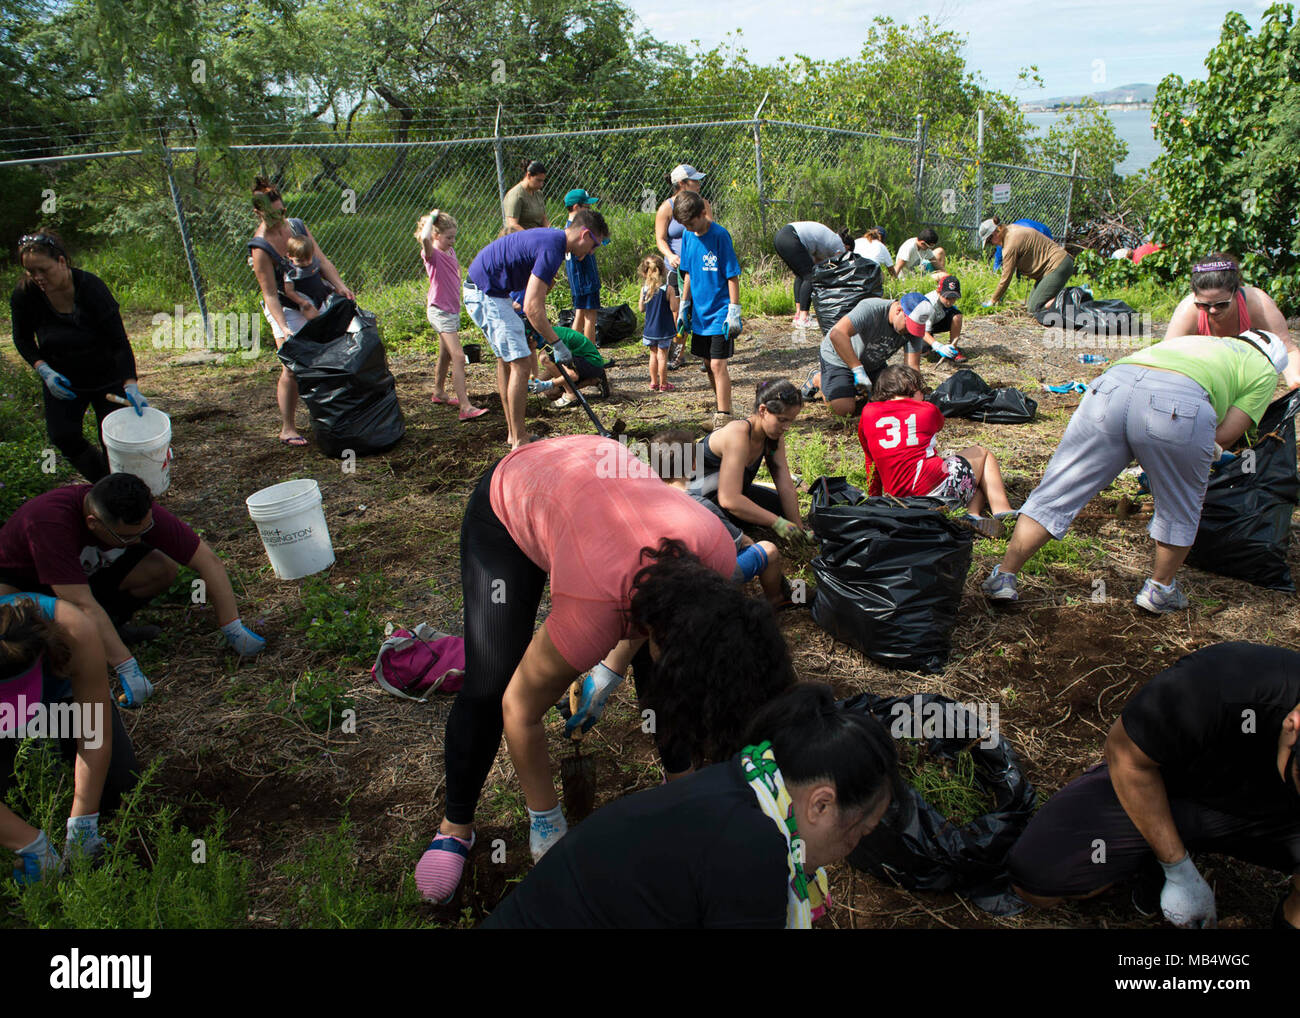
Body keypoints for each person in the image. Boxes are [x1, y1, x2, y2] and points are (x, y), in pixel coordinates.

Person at [413, 435, 796, 903]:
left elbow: (656, 615)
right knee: (492, 684)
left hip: (601, 487)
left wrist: (610, 672)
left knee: (661, 679)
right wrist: (546, 821)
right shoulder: (592, 606)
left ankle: (682, 784)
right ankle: (457, 825)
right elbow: (520, 707)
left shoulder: (714, 556)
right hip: (517, 497)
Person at [482, 682, 902, 929]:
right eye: (859, 833)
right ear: (822, 805)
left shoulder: (741, 782)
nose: (849, 853)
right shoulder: (755, 851)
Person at [982, 329, 1291, 612]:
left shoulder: (1202, 341)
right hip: (1176, 408)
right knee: (1180, 504)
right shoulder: (1264, 370)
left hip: (1109, 389)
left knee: (1058, 490)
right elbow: (1225, 435)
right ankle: (1159, 590)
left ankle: (1004, 576)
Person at [1007, 642, 1300, 930]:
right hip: (1173, 794)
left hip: (1277, 822)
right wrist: (1178, 869)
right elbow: (1126, 757)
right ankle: (1156, 855)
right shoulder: (1224, 683)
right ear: (1294, 724)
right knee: (1038, 875)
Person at [562, 428, 797, 743]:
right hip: (703, 588)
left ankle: (599, 688)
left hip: (653, 593)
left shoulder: (636, 500)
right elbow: (740, 545)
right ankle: (777, 602)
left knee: (639, 640)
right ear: (692, 466)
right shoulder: (699, 503)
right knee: (766, 551)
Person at [0, 473, 267, 707]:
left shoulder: (132, 507)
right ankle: (70, 658)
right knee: (50, 626)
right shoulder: (50, 524)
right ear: (93, 523)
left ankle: (112, 628)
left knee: (160, 568)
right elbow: (81, 604)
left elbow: (207, 560)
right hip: (26, 587)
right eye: (127, 537)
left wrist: (232, 626)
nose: (139, 539)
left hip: (82, 576)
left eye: (145, 529)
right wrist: (126, 666)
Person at [1, 594, 137, 883]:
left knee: (118, 784)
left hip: (61, 702)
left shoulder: (73, 629)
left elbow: (94, 735)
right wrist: (27, 841)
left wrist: (82, 825)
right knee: (14, 798)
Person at [462, 209, 609, 449]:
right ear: (584, 234)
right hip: (486, 292)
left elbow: (530, 299)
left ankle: (514, 433)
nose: (591, 252)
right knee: (520, 361)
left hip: (490, 290)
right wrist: (556, 343)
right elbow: (533, 308)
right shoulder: (553, 247)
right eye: (594, 245)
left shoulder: (553, 242)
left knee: (507, 360)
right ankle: (519, 440)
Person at [10, 231, 148, 482]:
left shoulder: (91, 288)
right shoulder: (25, 295)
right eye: (31, 272)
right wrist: (44, 370)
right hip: (62, 378)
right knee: (63, 435)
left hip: (106, 376)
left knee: (113, 439)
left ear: (61, 261)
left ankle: (127, 491)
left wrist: (131, 385)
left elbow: (119, 342)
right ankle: (104, 483)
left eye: (43, 269)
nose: (38, 278)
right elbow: (22, 339)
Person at [246, 177, 354, 447]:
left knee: (334, 351)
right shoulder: (261, 247)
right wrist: (283, 327)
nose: (280, 218)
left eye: (282, 211)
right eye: (272, 215)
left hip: (314, 295)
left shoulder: (296, 226)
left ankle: (339, 412)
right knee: (292, 366)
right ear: (258, 213)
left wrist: (340, 286)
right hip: (287, 305)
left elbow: (322, 260)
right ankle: (288, 427)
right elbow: (270, 293)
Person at [858, 366, 1013, 536]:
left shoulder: (867, 413)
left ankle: (972, 516)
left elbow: (871, 463)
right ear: (913, 389)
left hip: (898, 498)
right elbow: (938, 423)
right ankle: (1003, 512)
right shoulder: (927, 410)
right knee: (982, 454)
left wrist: (874, 500)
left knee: (976, 477)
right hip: (934, 491)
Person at [688, 380, 814, 551]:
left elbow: (785, 484)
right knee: (755, 519)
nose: (786, 427)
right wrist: (777, 523)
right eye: (782, 420)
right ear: (763, 410)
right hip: (695, 499)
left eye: (790, 421)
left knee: (778, 505)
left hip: (723, 496)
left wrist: (798, 528)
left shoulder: (773, 437)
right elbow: (729, 500)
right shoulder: (737, 433)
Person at [1165, 255, 1300, 389]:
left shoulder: (1257, 304)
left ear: (1236, 293)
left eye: (1221, 304)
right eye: (1204, 305)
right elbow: (1166, 355)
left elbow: (1287, 350)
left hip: (1247, 375)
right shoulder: (1188, 309)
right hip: (1205, 374)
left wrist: (1296, 384)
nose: (1212, 310)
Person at [674, 190, 742, 431]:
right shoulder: (688, 236)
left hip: (720, 313)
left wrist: (733, 310)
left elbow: (731, 274)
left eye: (692, 223)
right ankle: (722, 411)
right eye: (685, 225)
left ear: (703, 213)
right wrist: (684, 306)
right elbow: (689, 273)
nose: (690, 228)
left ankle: (724, 418)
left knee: (717, 364)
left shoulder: (720, 236)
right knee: (706, 362)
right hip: (700, 314)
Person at [416, 209, 488, 421]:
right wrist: (431, 218)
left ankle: (438, 392)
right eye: (449, 237)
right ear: (436, 236)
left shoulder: (449, 252)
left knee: (446, 354)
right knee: (458, 356)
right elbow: (424, 238)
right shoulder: (432, 254)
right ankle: (465, 407)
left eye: (454, 237)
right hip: (439, 310)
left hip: (451, 309)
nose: (453, 241)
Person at [800, 296, 910, 418]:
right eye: (908, 325)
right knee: (844, 410)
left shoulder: (914, 328)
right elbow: (836, 334)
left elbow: (912, 368)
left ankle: (852, 387)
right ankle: (819, 378)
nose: (910, 331)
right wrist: (858, 370)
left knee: (892, 399)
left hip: (873, 363)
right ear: (899, 310)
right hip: (839, 357)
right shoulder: (872, 308)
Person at [655, 164, 713, 370]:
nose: (699, 184)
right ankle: (678, 353)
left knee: (703, 305)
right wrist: (670, 256)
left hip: (700, 265)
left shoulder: (703, 204)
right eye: (694, 181)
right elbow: (660, 239)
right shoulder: (666, 207)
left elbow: (710, 231)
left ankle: (707, 353)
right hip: (677, 268)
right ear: (681, 184)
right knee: (679, 309)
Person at [978, 217, 1073, 314]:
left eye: (990, 241)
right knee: (1031, 304)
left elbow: (1006, 278)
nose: (992, 244)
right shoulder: (1011, 229)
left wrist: (993, 300)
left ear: (996, 232)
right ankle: (1065, 295)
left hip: (1057, 266)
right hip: (1052, 268)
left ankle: (1074, 296)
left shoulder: (1010, 245)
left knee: (1035, 309)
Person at [772, 221, 851, 328]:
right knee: (810, 276)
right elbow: (840, 266)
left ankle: (798, 315)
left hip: (781, 236)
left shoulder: (827, 241)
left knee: (802, 275)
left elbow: (817, 263)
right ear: (847, 247)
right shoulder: (839, 245)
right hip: (792, 237)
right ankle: (804, 318)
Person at [527, 322, 607, 407]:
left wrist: (546, 385)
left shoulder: (550, 342)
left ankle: (572, 394)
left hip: (591, 362)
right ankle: (595, 380)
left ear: (531, 339)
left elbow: (572, 375)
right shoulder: (543, 336)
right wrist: (534, 382)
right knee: (551, 394)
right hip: (579, 361)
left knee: (544, 358)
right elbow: (556, 367)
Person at [562, 188, 601, 345]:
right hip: (585, 276)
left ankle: (572, 349)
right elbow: (580, 253)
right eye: (587, 207)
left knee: (579, 312)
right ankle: (591, 354)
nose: (589, 210)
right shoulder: (578, 229)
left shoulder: (569, 227)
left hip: (577, 278)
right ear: (577, 207)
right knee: (590, 314)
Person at [900, 275, 966, 367]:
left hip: (937, 320)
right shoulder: (930, 304)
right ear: (938, 292)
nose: (950, 302)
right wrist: (937, 346)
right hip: (923, 325)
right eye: (947, 298)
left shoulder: (947, 304)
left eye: (954, 298)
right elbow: (922, 331)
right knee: (925, 350)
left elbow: (953, 314)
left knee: (957, 316)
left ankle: (953, 349)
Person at [638, 255, 678, 392]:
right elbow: (674, 308)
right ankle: (664, 384)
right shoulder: (668, 289)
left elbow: (641, 308)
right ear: (663, 270)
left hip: (650, 330)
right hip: (664, 329)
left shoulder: (644, 290)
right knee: (662, 356)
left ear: (644, 273)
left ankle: (653, 382)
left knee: (653, 355)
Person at [281, 234, 336, 321]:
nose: (305, 263)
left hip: (319, 296)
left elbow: (321, 276)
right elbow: (289, 291)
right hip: (306, 299)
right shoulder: (291, 272)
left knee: (326, 319)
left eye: (308, 259)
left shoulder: (314, 263)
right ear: (289, 256)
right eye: (300, 260)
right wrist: (302, 302)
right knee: (313, 320)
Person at [502, 160, 550, 233]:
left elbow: (543, 218)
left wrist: (550, 231)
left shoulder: (538, 193)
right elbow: (512, 226)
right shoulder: (516, 195)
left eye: (542, 181)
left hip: (539, 235)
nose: (541, 185)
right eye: (538, 180)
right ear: (528, 175)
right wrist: (530, 238)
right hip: (522, 238)